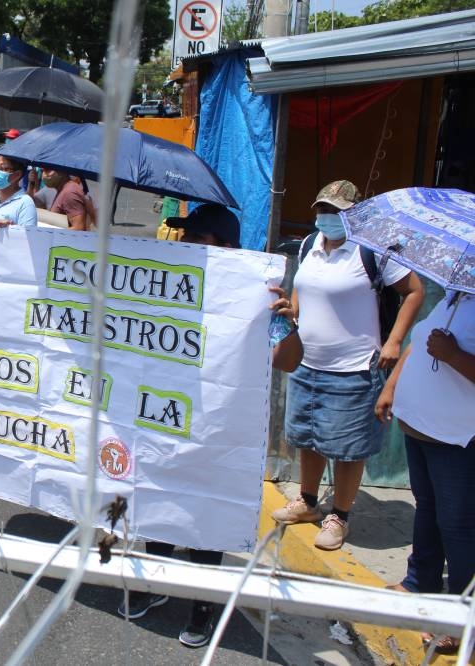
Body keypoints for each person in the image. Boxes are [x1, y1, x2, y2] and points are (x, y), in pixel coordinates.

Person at [116, 204, 302, 648]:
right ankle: (153, 582)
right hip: (160, 415)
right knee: (156, 491)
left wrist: (290, 322)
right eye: (187, 238)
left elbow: (289, 362)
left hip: (218, 424)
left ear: (225, 246)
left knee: (205, 505)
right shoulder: (164, 281)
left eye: (198, 239)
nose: (187, 247)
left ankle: (203, 603)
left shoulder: (257, 295)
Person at [272, 180, 424, 550]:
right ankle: (308, 502)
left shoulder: (374, 251)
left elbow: (414, 292)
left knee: (348, 447)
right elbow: (301, 292)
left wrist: (392, 341)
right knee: (309, 437)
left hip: (354, 367)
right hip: (308, 363)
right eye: (323, 210)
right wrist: (291, 310)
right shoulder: (310, 246)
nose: (328, 217)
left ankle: (339, 514)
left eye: (337, 211)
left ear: (356, 214)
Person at [376, 291, 474, 655]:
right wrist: (391, 386)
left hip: (459, 437)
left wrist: (453, 356)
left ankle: (460, 618)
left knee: (459, 526)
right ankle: (420, 582)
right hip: (420, 428)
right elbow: (420, 342)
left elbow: (443, 350)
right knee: (429, 510)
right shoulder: (454, 296)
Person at [0, 154, 37, 228]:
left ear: (17, 174)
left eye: (2, 168)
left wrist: (11, 229)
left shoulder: (25, 203)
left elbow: (29, 237)